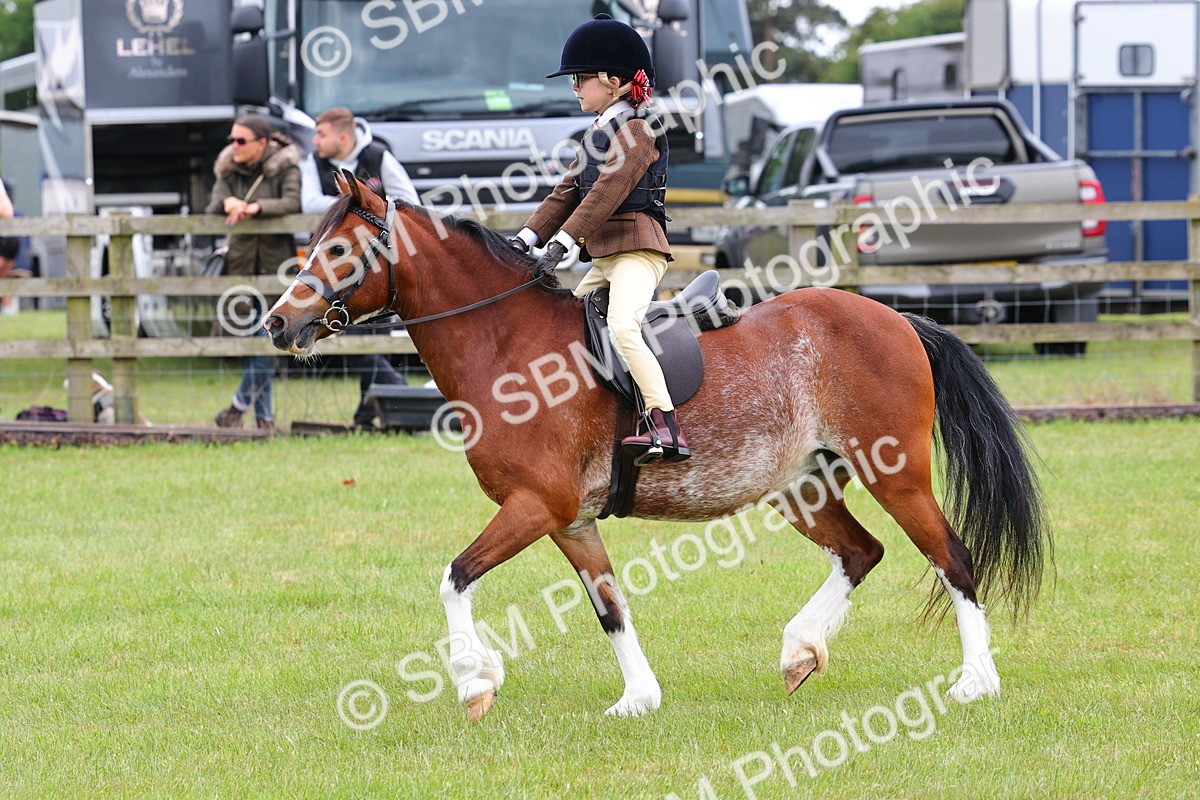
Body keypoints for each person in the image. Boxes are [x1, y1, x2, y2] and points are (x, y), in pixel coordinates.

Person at [510, 14, 685, 464]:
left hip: (638, 251)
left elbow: (608, 190)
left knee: (624, 326)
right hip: (604, 255)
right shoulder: (598, 130)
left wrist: (564, 244)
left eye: (581, 80)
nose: (575, 89)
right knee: (566, 330)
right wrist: (525, 239)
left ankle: (666, 426)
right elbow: (566, 192)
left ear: (614, 81)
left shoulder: (641, 128)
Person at [300, 107, 420, 429]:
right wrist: (359, 206)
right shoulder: (313, 161)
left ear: (343, 136)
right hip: (332, 260)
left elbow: (409, 200)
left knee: (374, 335)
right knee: (350, 334)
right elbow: (307, 202)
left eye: (320, 134)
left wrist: (367, 208)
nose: (315, 141)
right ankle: (396, 401)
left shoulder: (379, 156)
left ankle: (372, 412)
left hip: (379, 260)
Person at [207, 114, 301, 433]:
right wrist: (229, 201)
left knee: (267, 340)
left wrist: (256, 208)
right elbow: (213, 204)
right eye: (231, 139)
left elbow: (292, 202)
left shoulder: (287, 166)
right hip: (242, 265)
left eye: (241, 140)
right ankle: (266, 420)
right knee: (255, 341)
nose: (234, 146)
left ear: (262, 143)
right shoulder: (227, 167)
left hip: (278, 267)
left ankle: (238, 407)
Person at [0, 179, 30, 315]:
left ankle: (8, 309)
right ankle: (8, 309)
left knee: (4, 277)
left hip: (6, 240)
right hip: (8, 239)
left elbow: (6, 211)